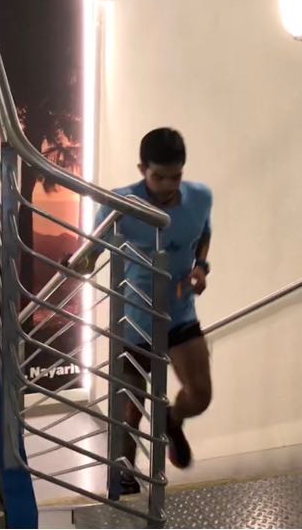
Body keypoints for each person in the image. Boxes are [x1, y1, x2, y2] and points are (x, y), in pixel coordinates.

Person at [83, 127, 214, 495]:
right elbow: (90, 254)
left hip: (180, 314)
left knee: (200, 395)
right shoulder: (121, 204)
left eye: (176, 176)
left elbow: (203, 234)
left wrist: (201, 268)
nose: (168, 185)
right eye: (159, 177)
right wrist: (77, 263)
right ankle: (124, 476)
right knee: (131, 409)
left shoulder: (200, 197)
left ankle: (172, 420)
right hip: (135, 320)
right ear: (142, 170)